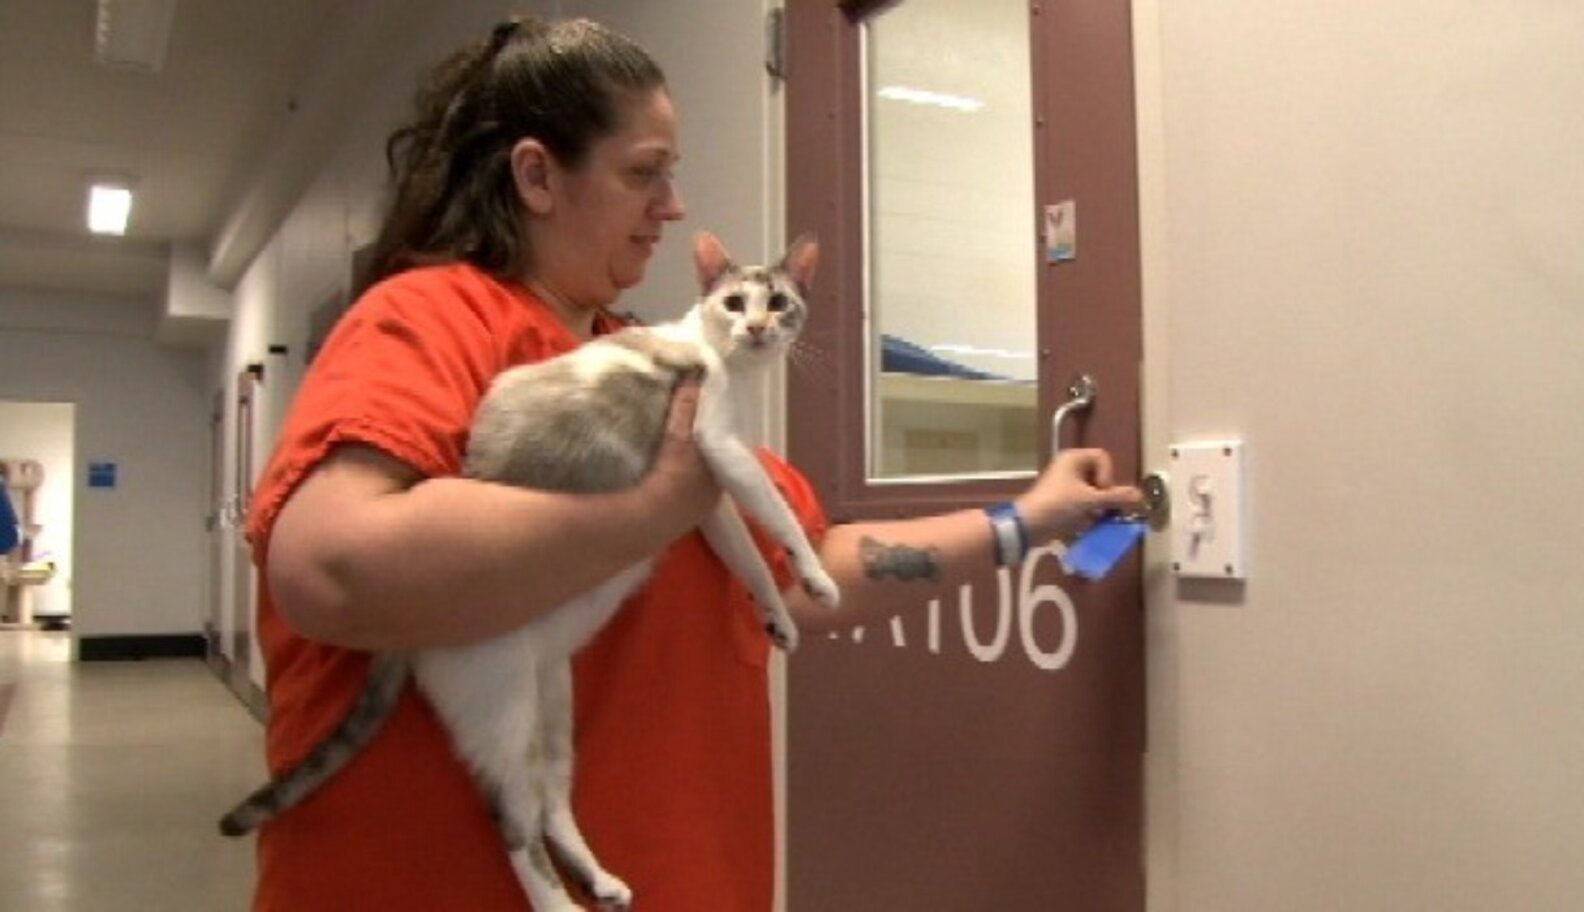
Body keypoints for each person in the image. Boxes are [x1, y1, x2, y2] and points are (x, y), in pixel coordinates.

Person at [244, 14, 1143, 912]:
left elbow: (805, 569)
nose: (672, 206)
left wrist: (1027, 521)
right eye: (645, 172)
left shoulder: (644, 358)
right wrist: (658, 504)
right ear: (537, 176)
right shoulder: (429, 319)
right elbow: (330, 568)